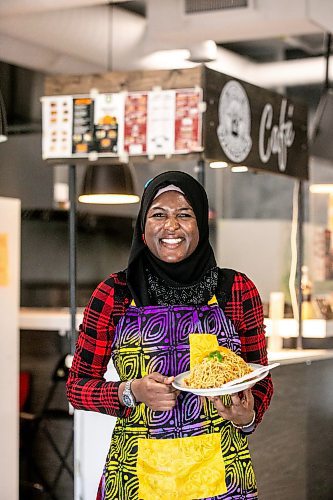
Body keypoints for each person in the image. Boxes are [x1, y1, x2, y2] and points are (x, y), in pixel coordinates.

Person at [67, 170, 273, 500]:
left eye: (185, 215)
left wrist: (247, 416)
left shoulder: (236, 290)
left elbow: (259, 379)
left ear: (201, 225)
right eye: (158, 214)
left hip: (221, 477)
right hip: (136, 478)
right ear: (143, 228)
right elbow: (77, 387)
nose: (171, 226)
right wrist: (130, 392)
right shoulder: (114, 293)